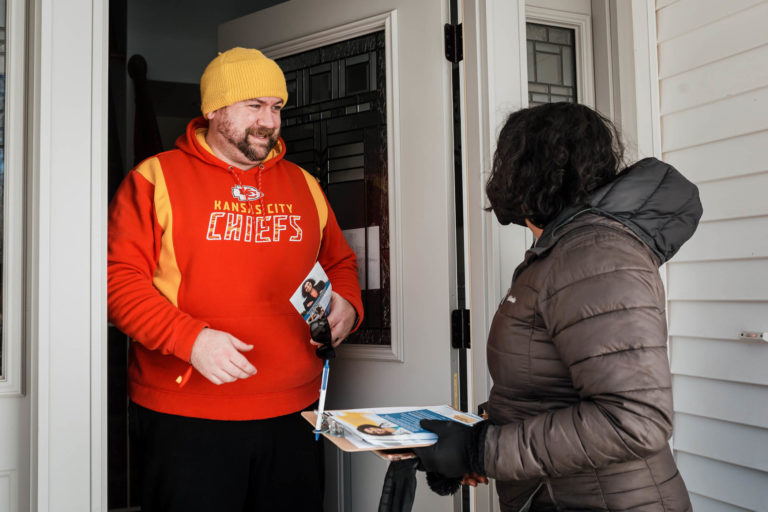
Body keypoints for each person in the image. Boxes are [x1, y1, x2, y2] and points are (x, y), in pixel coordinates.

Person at [107, 47, 363, 512]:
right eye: (254, 106)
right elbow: (117, 282)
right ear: (214, 110)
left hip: (296, 412)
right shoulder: (154, 179)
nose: (269, 121)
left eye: (277, 107)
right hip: (187, 414)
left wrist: (346, 302)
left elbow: (340, 263)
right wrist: (191, 340)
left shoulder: (304, 183)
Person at [414, 102, 700, 511]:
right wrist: (475, 435)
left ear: (525, 171)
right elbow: (548, 388)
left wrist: (483, 450)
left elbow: (635, 420)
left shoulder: (594, 256)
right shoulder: (566, 251)